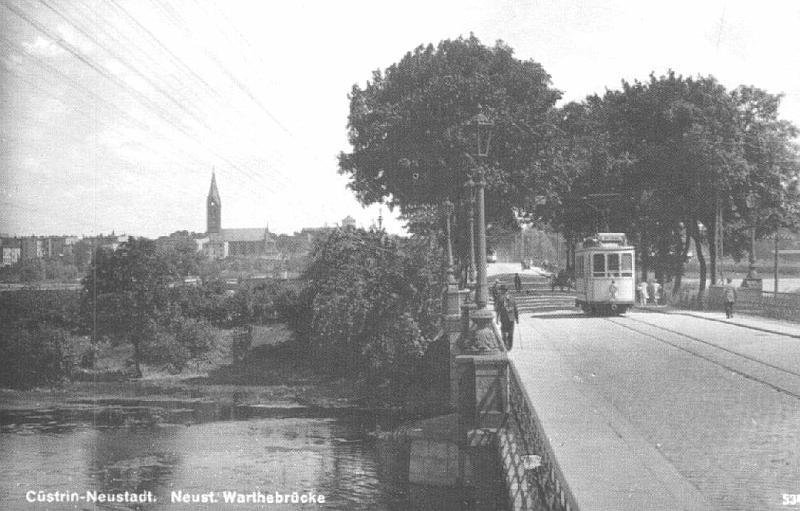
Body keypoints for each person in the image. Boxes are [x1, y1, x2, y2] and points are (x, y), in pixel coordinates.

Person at [496, 285, 519, 350]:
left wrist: (497, 318)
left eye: (501, 290)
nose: (500, 291)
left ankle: (504, 344)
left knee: (503, 331)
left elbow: (498, 309)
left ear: (503, 290)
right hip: (511, 317)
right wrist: (517, 318)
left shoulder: (500, 298)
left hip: (504, 318)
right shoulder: (512, 298)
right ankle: (510, 346)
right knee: (511, 331)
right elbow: (515, 308)